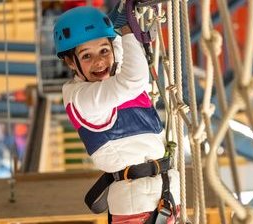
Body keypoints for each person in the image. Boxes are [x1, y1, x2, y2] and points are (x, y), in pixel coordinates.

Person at [53, 5, 180, 224]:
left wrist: (120, 22)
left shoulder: (109, 80)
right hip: (140, 206)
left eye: (104, 51)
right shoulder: (82, 99)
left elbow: (117, 50)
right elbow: (133, 80)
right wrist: (128, 30)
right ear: (71, 62)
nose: (99, 62)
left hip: (156, 198)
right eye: (86, 56)